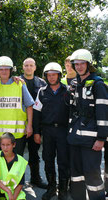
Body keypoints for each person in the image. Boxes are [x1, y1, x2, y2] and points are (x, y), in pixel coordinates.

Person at [68, 49, 108, 200]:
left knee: (93, 177)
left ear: (88, 65)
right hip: (75, 138)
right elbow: (72, 109)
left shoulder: (98, 85)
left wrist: (101, 138)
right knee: (76, 176)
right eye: (76, 64)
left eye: (82, 64)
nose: (78, 67)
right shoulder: (76, 84)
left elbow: (103, 114)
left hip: (91, 141)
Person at [33, 62, 70, 200]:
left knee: (63, 161)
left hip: (63, 131)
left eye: (54, 74)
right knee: (48, 159)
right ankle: (51, 187)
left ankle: (63, 190)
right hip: (47, 132)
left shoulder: (67, 91)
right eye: (49, 75)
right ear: (46, 76)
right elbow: (36, 114)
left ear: (59, 75)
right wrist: (37, 132)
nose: (52, 77)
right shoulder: (42, 92)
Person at [0, 56, 34, 156]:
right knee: (0, 165)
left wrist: (29, 126)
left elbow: (29, 105)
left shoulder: (19, 84)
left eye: (6, 69)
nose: (4, 71)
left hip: (16, 135)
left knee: (17, 165)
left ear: (11, 70)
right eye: (1, 69)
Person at [20, 58, 47, 189]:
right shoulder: (16, 81)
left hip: (36, 123)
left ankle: (35, 178)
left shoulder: (42, 83)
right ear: (23, 67)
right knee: (17, 153)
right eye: (26, 65)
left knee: (34, 152)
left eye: (31, 65)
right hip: (19, 122)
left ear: (35, 67)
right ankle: (17, 181)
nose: (29, 67)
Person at [0, 132, 28, 200]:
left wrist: (13, 198)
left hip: (13, 190)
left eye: (8, 145)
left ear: (14, 144)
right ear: (0, 145)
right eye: (3, 145)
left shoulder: (21, 161)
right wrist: (7, 191)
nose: (5, 148)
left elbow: (20, 184)